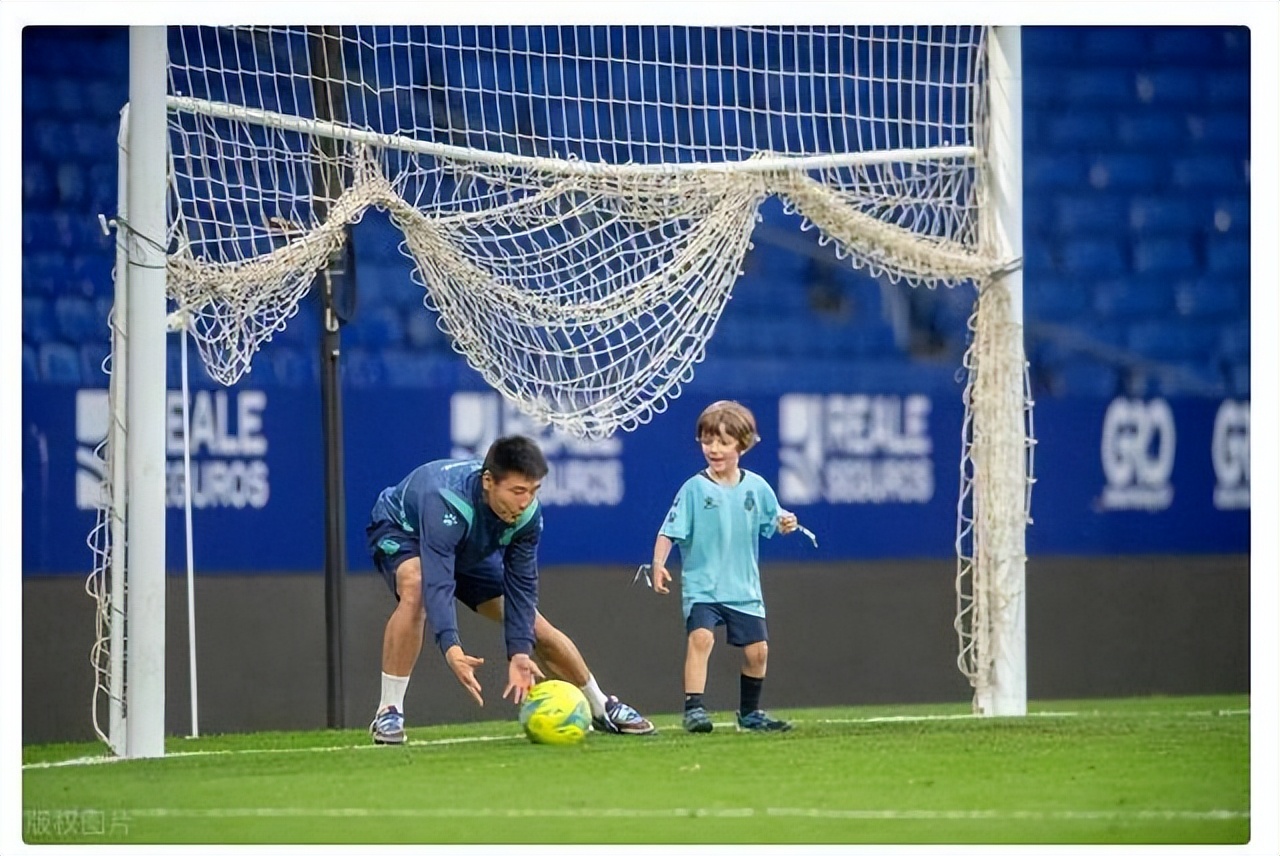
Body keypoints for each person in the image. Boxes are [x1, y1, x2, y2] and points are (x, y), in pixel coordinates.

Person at [367, 434, 656, 744]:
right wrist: (452, 647)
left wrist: (519, 652)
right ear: (489, 481)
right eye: (517, 491)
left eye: (533, 491)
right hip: (405, 530)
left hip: (468, 547)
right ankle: (389, 711)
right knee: (418, 585)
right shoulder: (445, 499)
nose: (525, 502)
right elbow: (439, 581)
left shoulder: (527, 515)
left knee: (536, 626)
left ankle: (601, 706)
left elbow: (522, 586)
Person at [648, 400, 800, 733]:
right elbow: (668, 530)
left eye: (722, 442)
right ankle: (694, 708)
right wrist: (658, 564)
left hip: (743, 588)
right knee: (701, 638)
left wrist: (785, 523)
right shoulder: (693, 488)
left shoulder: (757, 487)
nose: (713, 449)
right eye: (707, 441)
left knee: (758, 652)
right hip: (704, 585)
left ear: (742, 445)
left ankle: (749, 713)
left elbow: (774, 520)